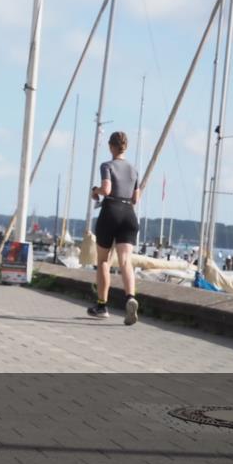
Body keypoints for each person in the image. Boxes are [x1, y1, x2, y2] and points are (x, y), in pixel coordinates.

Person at [88, 131, 141, 325]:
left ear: (111, 147)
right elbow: (136, 198)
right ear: (125, 147)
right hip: (129, 213)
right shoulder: (134, 170)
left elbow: (107, 189)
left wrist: (95, 191)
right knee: (126, 261)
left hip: (111, 211)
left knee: (103, 261)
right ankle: (130, 297)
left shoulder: (107, 166)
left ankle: (102, 306)